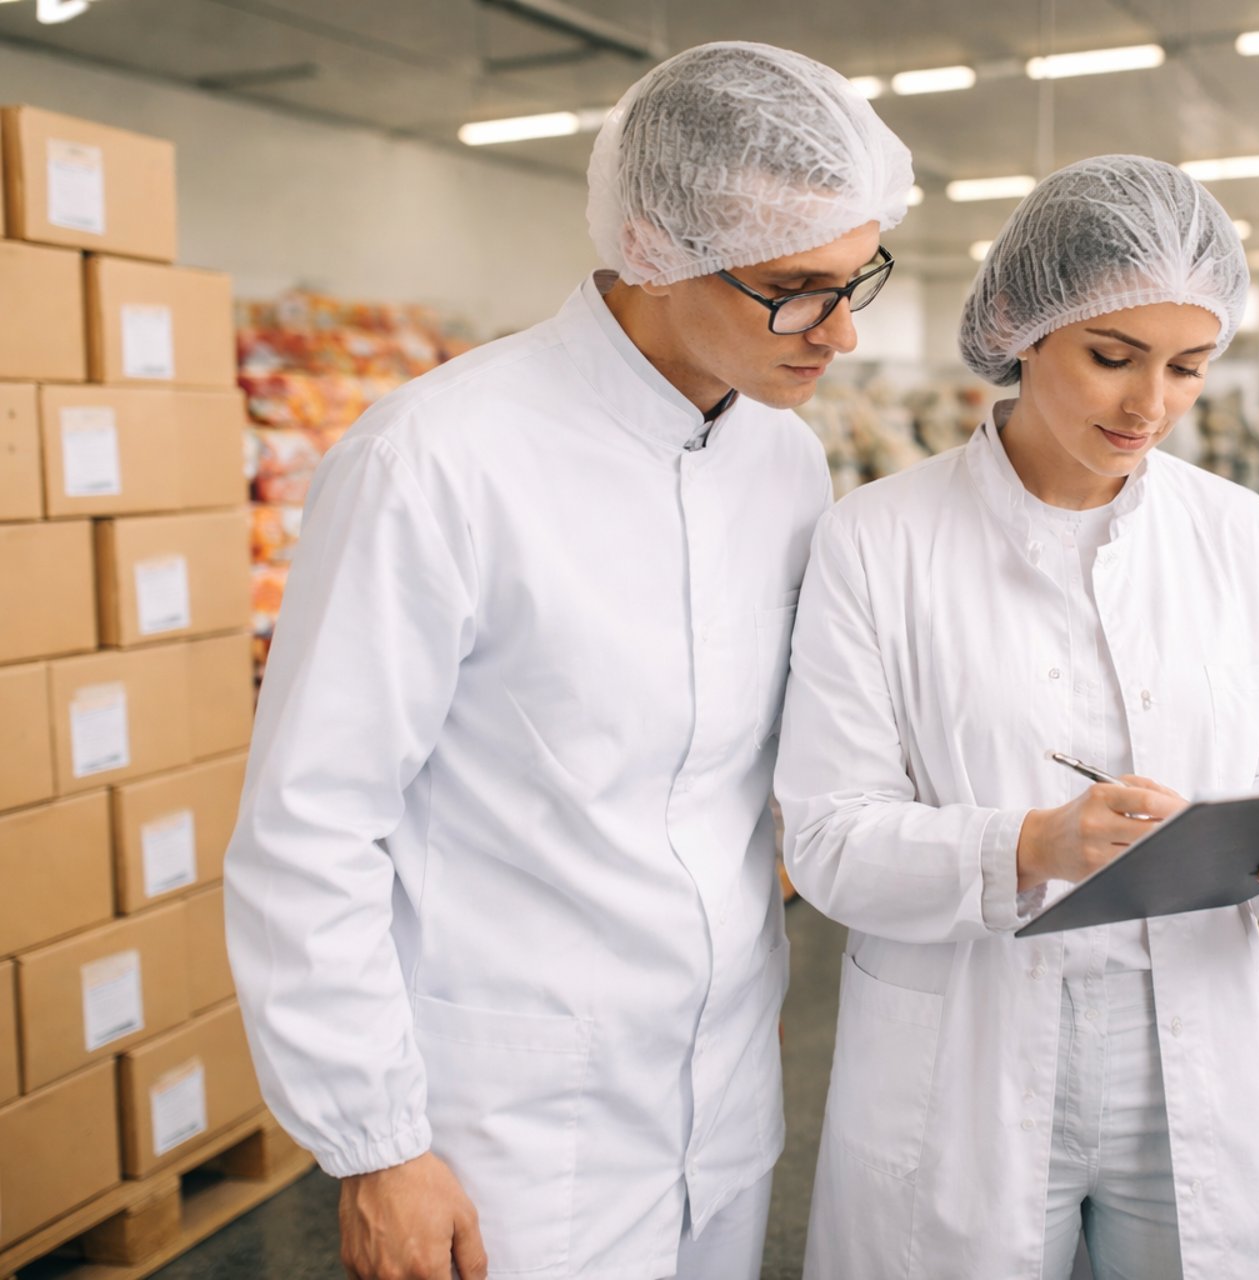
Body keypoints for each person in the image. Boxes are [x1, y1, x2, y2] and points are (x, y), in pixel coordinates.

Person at [224, 42, 912, 1280]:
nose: (844, 330)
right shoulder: (434, 462)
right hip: (509, 1136)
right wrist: (375, 1143)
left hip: (723, 1088)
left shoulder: (782, 459)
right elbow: (310, 825)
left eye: (856, 275)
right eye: (798, 286)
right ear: (655, 244)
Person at [775, 155, 1259, 1280]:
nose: (1147, 404)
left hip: (1196, 1044)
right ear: (1021, 327)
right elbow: (824, 838)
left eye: (1187, 366)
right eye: (1112, 357)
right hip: (966, 1045)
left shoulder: (1247, 538)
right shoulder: (874, 541)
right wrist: (1032, 842)